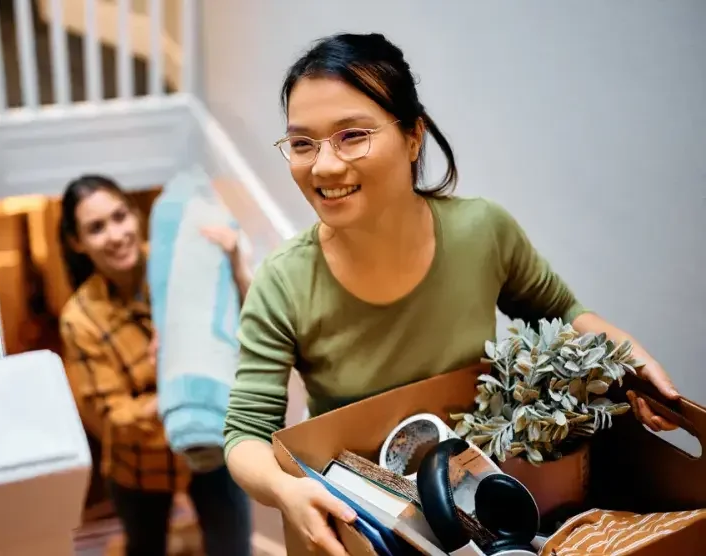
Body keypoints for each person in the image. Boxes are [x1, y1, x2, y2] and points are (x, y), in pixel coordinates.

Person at [222, 32, 683, 556]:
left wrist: (631, 357)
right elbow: (245, 435)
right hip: (366, 521)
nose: (323, 166)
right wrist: (286, 489)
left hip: (481, 502)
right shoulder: (284, 281)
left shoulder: (482, 232)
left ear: (413, 136)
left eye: (352, 135)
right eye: (303, 143)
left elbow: (562, 312)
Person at [57, 175, 255, 556]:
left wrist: (237, 266)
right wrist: (174, 378)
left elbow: (239, 328)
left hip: (212, 440)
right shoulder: (79, 319)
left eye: (120, 216)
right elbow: (112, 416)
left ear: (136, 215)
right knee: (145, 548)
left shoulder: (178, 259)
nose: (116, 235)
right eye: (96, 228)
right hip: (139, 465)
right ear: (76, 242)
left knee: (233, 547)